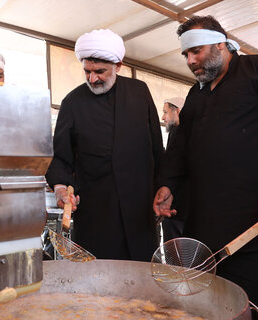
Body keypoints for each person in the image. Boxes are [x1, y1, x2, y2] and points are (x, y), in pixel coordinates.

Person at [153, 16, 258, 319]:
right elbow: (179, 147)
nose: (191, 60)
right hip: (204, 233)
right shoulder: (196, 96)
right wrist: (168, 185)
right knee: (210, 309)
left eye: (196, 50)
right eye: (186, 54)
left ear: (221, 42)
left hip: (253, 227)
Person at [45, 29, 163, 262]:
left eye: (100, 71)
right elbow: (60, 157)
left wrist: (163, 187)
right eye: (87, 71)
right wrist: (60, 188)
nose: (92, 79)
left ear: (118, 65)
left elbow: (157, 149)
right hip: (96, 213)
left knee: (142, 283)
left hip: (140, 210)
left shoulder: (140, 93)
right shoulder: (72, 102)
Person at [160, 97, 186, 242]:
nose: (163, 117)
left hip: (179, 209)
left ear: (178, 111)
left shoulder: (180, 133)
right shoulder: (174, 133)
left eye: (165, 112)